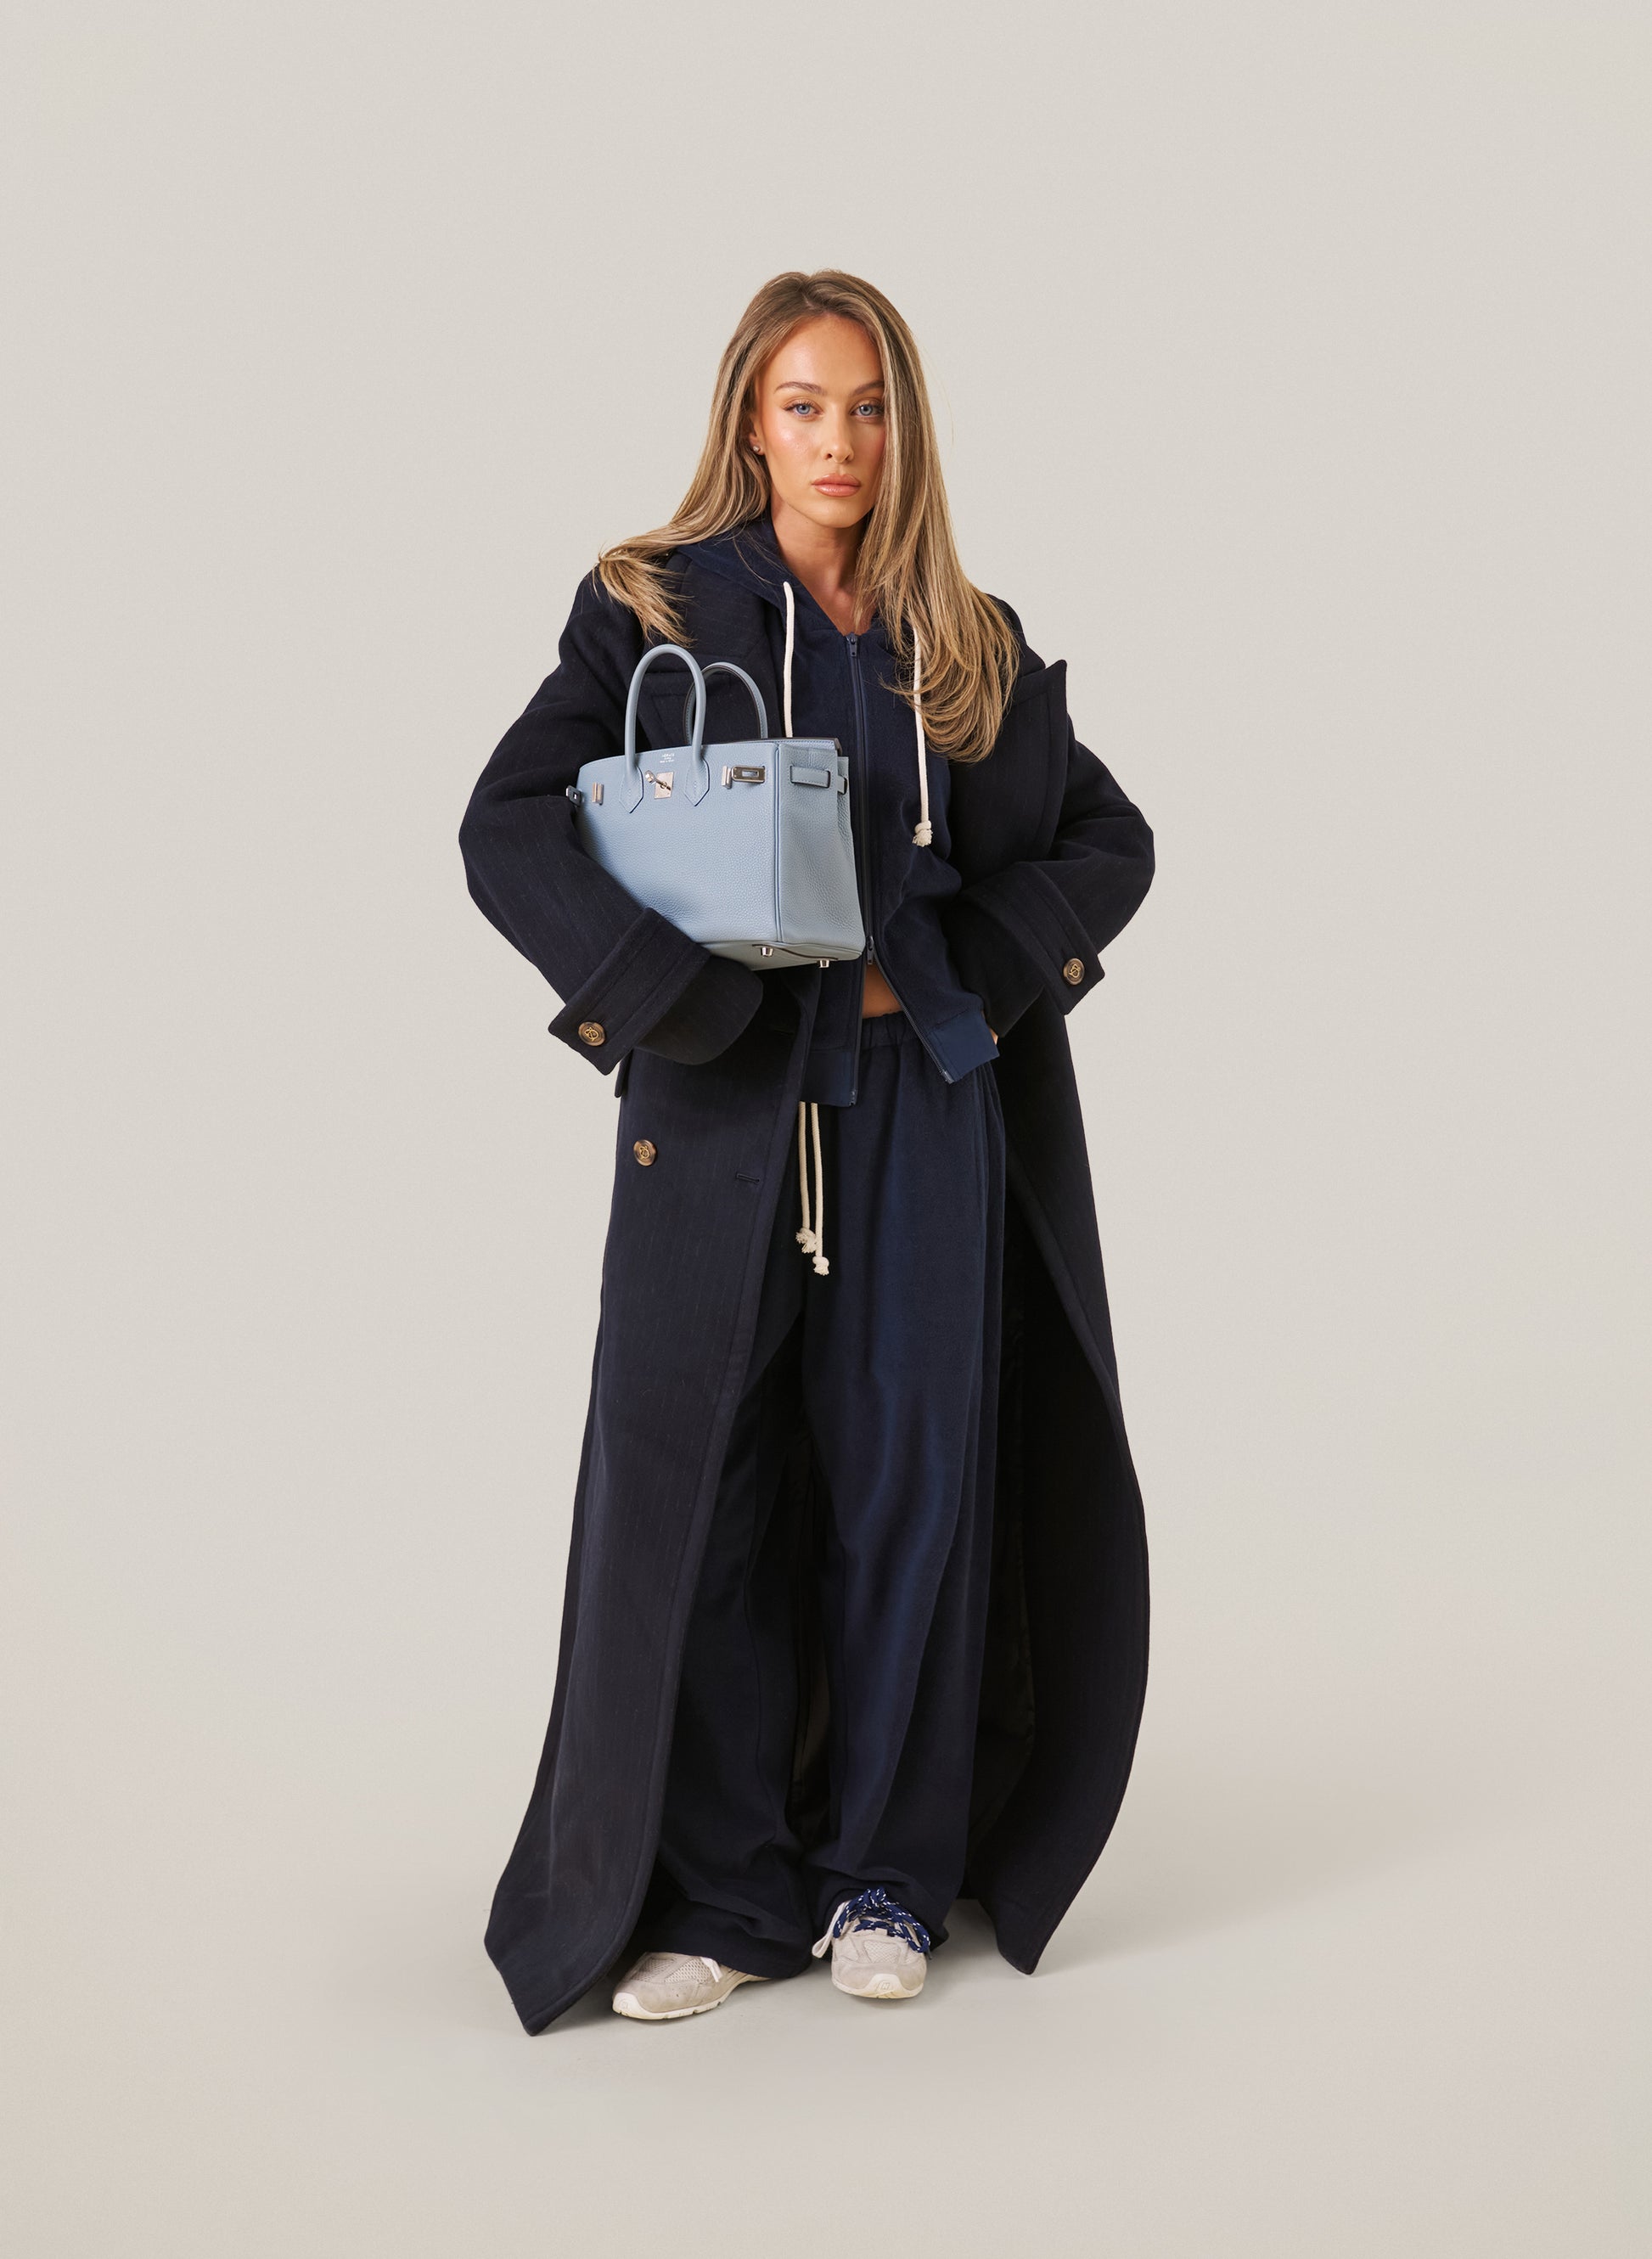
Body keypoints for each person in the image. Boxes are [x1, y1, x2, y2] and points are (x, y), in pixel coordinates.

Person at [458, 269, 1155, 2032]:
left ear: (905, 428)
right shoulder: (653, 605)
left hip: (925, 1104)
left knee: (913, 1482)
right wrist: (679, 1003)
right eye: (803, 405)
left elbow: (1109, 840)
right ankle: (722, 1892)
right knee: (710, 1487)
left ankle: (885, 1876)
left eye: (869, 407)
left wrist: (957, 971)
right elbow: (507, 825)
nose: (838, 440)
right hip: (719, 1113)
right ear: (749, 422)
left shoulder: (964, 639)